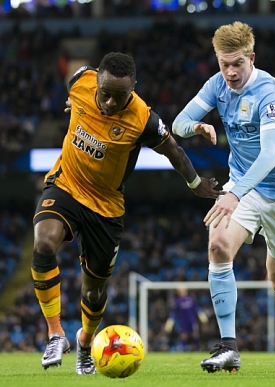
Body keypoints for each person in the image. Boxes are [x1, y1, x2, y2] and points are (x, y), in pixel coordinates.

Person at [33, 52, 222, 375]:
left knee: (93, 291)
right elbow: (77, 91)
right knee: (43, 243)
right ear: (97, 82)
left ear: (133, 88)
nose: (108, 102)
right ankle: (56, 334)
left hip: (106, 208)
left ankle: (85, 341)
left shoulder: (143, 119)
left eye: (119, 96)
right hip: (66, 185)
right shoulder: (81, 81)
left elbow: (174, 150)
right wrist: (75, 105)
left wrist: (195, 183)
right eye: (104, 93)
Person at [172, 21, 275, 372]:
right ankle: (228, 347)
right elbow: (178, 123)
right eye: (223, 64)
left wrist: (233, 193)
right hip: (245, 189)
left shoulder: (271, 93)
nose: (230, 72)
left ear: (252, 58)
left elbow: (270, 155)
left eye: (237, 64)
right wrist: (198, 126)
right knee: (218, 244)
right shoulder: (217, 84)